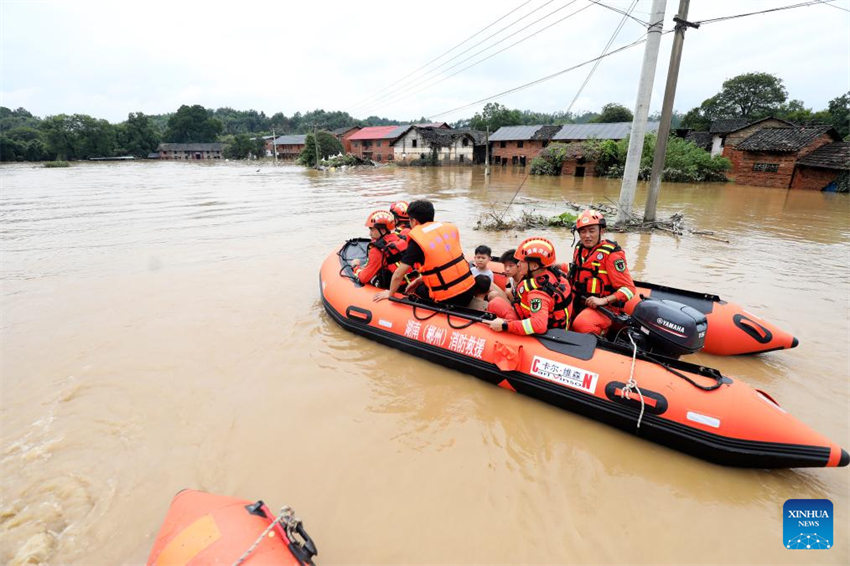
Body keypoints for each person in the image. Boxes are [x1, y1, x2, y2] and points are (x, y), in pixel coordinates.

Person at [374, 199, 475, 307]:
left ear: (414, 221)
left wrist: (390, 293)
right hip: (470, 290)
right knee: (421, 285)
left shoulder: (417, 241)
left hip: (450, 298)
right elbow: (443, 263)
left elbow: (398, 274)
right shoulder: (449, 228)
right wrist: (419, 280)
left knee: (417, 291)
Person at [568, 209, 636, 335]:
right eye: (583, 231)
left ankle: (603, 334)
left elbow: (629, 289)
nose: (587, 235)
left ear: (601, 231)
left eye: (592, 231)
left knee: (582, 324)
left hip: (604, 307)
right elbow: (576, 271)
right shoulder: (580, 248)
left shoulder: (612, 254)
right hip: (580, 299)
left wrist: (604, 300)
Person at [487, 237, 573, 335]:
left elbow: (538, 326)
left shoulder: (538, 293)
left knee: (495, 303)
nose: (518, 264)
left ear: (535, 266)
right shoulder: (554, 275)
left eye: (522, 261)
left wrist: (505, 325)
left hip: (540, 335)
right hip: (551, 322)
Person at [350, 210, 408, 288]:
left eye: (372, 229)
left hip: (395, 288)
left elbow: (363, 278)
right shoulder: (401, 239)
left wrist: (355, 266)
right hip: (408, 283)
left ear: (383, 230)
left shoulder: (377, 250)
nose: (370, 234)